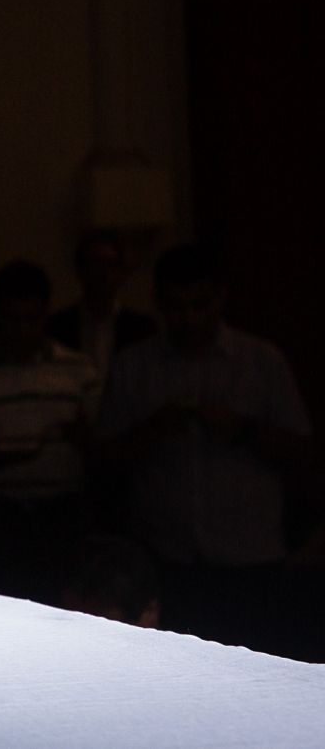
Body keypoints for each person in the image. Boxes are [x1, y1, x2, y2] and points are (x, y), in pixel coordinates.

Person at [97, 242, 316, 654]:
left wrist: (244, 429)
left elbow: (302, 451)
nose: (189, 319)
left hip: (250, 561)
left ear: (221, 298)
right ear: (159, 303)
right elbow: (104, 459)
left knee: (259, 671)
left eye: (200, 305)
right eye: (176, 307)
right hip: (166, 561)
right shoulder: (134, 366)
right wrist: (153, 430)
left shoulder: (261, 362)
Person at [0, 260, 100, 604]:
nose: (23, 331)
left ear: (46, 315)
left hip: (62, 517)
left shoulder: (77, 368)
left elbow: (102, 445)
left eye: (32, 320)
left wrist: (84, 439)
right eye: (13, 320)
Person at [47, 229, 158, 371]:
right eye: (95, 264)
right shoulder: (57, 326)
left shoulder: (142, 328)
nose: (103, 273)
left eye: (110, 264)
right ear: (80, 270)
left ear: (122, 273)